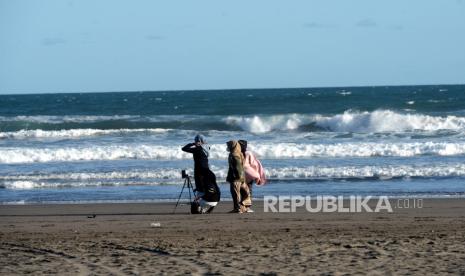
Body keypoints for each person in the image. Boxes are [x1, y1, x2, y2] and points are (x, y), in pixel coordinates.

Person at [182, 134, 220, 213]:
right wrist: (200, 144)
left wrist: (192, 144)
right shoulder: (206, 148)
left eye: (196, 140)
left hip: (199, 170)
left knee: (200, 186)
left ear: (198, 141)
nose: (195, 142)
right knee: (207, 185)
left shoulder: (197, 149)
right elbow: (205, 146)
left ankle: (199, 206)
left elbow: (184, 148)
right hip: (206, 169)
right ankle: (205, 207)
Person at [238, 140, 266, 212]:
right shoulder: (249, 153)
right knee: (249, 191)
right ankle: (247, 207)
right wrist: (257, 174)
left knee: (242, 191)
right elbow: (254, 164)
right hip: (249, 175)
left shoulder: (237, 153)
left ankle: (242, 206)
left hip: (240, 175)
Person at [226, 140, 251, 213]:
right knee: (245, 193)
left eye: (229, 145)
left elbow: (237, 167)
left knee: (236, 194)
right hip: (242, 177)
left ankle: (238, 209)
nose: (228, 147)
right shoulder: (240, 153)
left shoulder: (233, 155)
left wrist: (237, 177)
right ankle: (244, 207)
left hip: (236, 178)